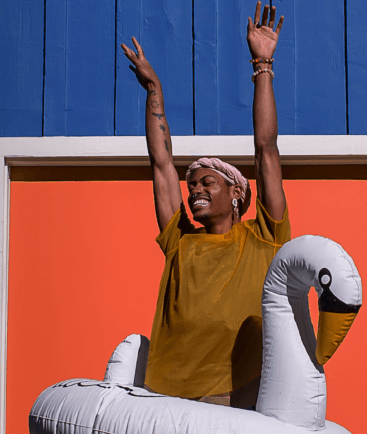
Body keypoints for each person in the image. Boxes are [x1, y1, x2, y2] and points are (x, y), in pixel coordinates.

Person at [120, 1, 289, 408]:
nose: (194, 187)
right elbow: (161, 163)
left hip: (234, 395)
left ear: (236, 194)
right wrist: (154, 91)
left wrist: (262, 66)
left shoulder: (263, 236)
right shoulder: (180, 241)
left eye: (207, 182)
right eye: (191, 182)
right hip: (167, 396)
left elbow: (266, 149)